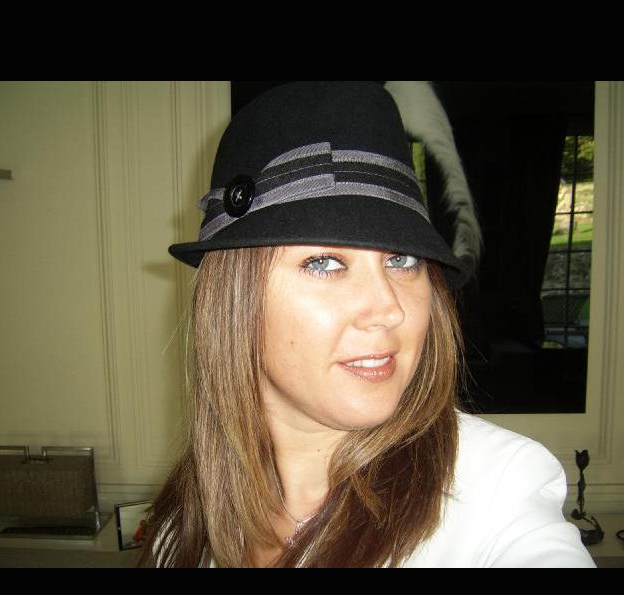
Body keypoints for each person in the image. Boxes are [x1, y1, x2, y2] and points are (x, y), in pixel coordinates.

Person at [137, 81, 596, 568]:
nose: (388, 308)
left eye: (402, 260)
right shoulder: (182, 527)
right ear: (235, 300)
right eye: (325, 263)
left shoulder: (498, 489)